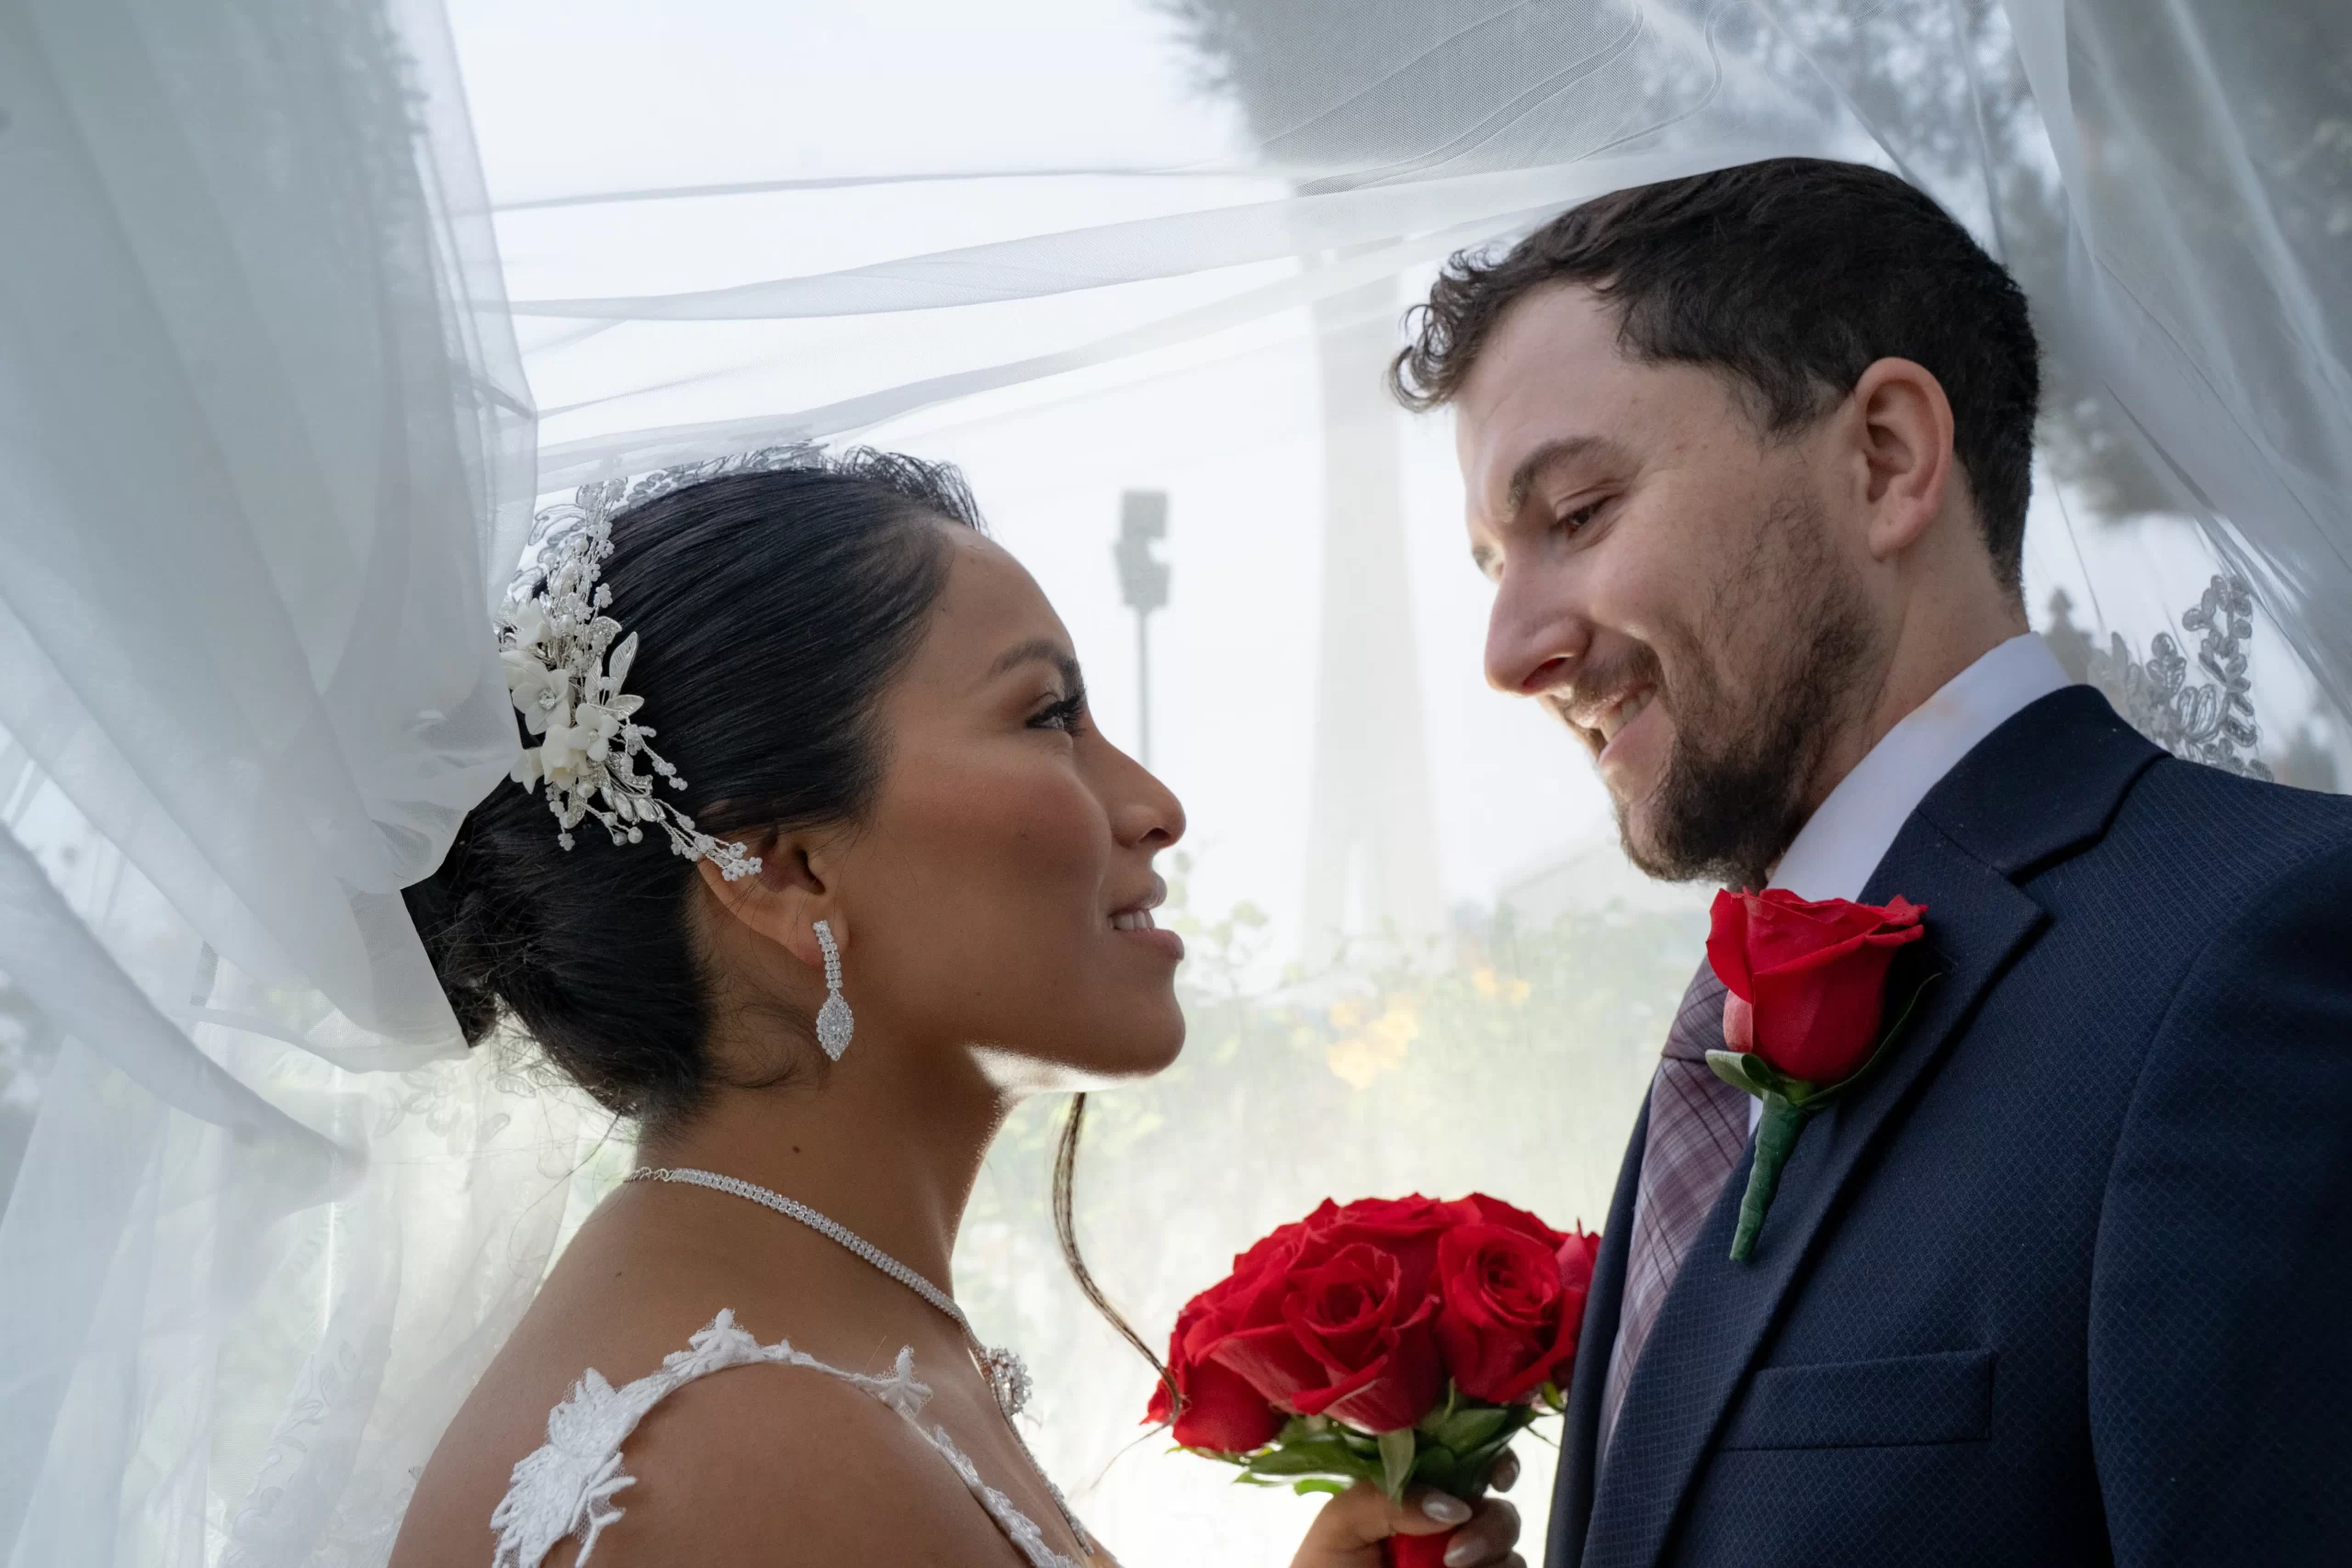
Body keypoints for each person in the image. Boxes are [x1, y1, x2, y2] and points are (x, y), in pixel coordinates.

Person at [1391, 158, 2352, 1567]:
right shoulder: (1720, 1049)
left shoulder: (2272, 947)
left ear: (1887, 458)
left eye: (1579, 513)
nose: (1508, 651)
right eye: (1495, 563)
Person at [385, 450, 1526, 1568]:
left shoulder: (801, 1351)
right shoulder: (755, 1453)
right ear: (782, 869)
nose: (1155, 806)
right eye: (1047, 717)